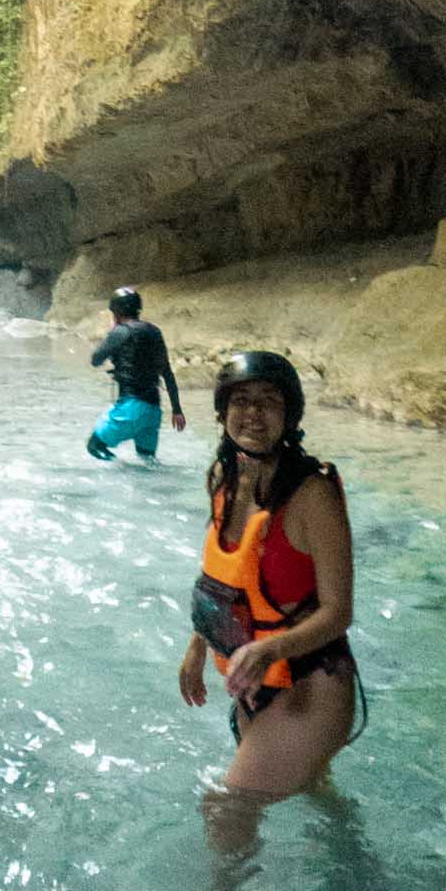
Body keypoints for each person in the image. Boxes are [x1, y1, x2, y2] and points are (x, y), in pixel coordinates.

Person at [179, 349, 362, 800]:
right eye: (241, 401)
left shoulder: (311, 495)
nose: (253, 414)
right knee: (316, 793)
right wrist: (197, 647)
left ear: (290, 414)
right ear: (223, 413)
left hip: (310, 683)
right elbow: (224, 578)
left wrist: (267, 650)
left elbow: (339, 612)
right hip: (255, 679)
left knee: (225, 807)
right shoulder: (224, 476)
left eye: (268, 401)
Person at [87, 286, 185, 462]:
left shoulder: (120, 331)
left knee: (95, 446)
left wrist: (112, 338)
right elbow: (167, 373)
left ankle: (120, 475)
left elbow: (95, 359)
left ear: (115, 312)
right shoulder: (155, 332)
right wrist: (177, 410)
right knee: (147, 461)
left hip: (130, 408)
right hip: (153, 411)